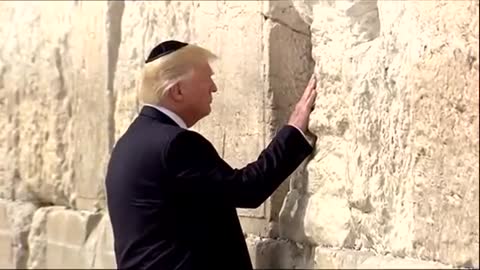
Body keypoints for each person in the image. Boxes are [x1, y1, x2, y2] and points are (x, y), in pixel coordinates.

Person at [105, 40, 317, 270]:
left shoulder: (128, 144)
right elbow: (247, 189)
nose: (214, 88)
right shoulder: (176, 144)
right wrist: (294, 131)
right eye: (207, 78)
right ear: (177, 90)